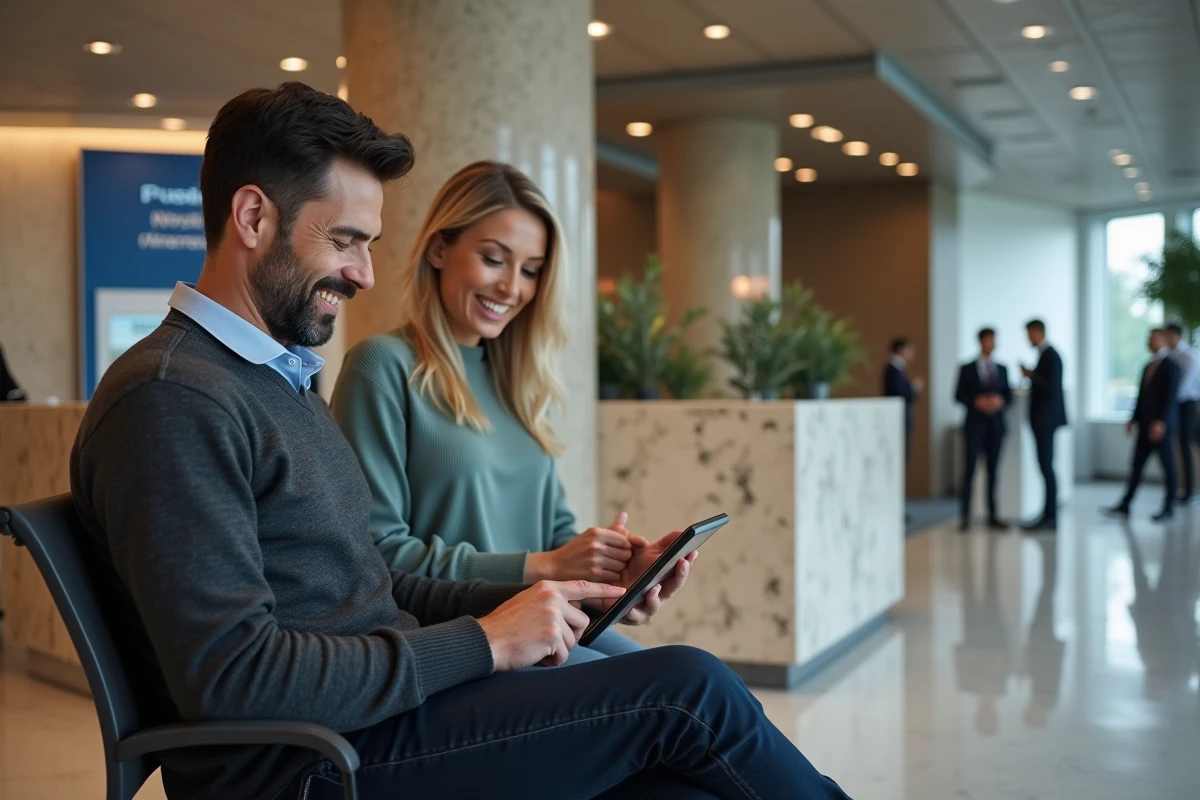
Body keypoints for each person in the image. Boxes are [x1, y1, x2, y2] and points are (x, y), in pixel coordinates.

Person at [69, 83, 850, 800]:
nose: (366, 274)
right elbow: (234, 677)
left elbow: (374, 580)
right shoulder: (171, 397)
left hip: (382, 718)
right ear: (252, 217)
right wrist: (483, 643)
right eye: (346, 241)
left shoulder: (274, 380)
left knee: (686, 782)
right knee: (688, 688)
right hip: (314, 762)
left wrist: (547, 606)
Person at [332, 162, 642, 663]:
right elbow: (375, 554)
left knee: (693, 680)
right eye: (494, 259)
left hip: (544, 616)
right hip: (461, 639)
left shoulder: (517, 381)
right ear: (439, 250)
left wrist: (615, 573)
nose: (512, 287)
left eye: (531, 270)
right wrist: (542, 566)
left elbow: (555, 531)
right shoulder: (382, 366)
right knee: (674, 696)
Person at [1105, 328, 1181, 522]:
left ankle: (1168, 506)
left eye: (1153, 338)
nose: (1149, 341)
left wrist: (1161, 421)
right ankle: (1125, 504)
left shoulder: (1171, 366)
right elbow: (1142, 396)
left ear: (1163, 340)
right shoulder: (1148, 366)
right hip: (1145, 423)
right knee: (1137, 465)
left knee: (1168, 466)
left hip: (1160, 426)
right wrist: (1133, 418)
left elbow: (1171, 398)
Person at [955, 328, 1012, 531]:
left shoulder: (1002, 368)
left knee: (993, 472)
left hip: (995, 427)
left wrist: (999, 401)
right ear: (980, 342)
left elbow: (1009, 396)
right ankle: (965, 515)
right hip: (974, 426)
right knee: (969, 471)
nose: (991, 344)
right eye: (988, 340)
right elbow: (958, 395)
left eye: (994, 340)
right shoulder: (967, 368)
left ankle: (992, 515)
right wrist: (977, 401)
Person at [1020, 320, 1067, 531]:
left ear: (1038, 332)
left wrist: (1031, 376)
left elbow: (1052, 388)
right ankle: (1047, 514)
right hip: (1043, 421)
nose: (1028, 338)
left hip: (1046, 421)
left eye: (1029, 334)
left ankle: (1050, 516)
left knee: (1047, 467)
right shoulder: (1046, 355)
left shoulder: (1051, 355)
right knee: (1045, 467)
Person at [1165, 323, 1200, 505]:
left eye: (1168, 335)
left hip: (1188, 405)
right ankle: (1183, 489)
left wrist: (1167, 401)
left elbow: (1183, 387)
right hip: (1176, 405)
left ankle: (1190, 491)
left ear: (1176, 335)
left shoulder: (1188, 356)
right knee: (1179, 446)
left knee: (1186, 445)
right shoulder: (1169, 356)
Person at [883, 336, 923, 466]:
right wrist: (914, 389)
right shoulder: (893, 370)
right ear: (901, 350)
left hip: (900, 419)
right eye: (909, 349)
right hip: (897, 419)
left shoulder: (898, 369)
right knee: (900, 458)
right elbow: (902, 396)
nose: (912, 353)